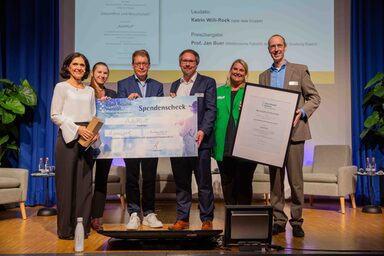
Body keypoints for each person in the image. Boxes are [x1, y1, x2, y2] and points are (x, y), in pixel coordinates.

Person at [259, 34, 320, 237]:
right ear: (269, 50)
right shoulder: (263, 76)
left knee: (295, 181)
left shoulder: (299, 70)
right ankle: (278, 219)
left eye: (279, 46)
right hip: (273, 136)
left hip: (295, 134)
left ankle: (296, 221)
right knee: (275, 182)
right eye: (272, 46)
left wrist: (301, 112)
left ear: (285, 47)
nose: (276, 49)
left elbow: (314, 97)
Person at [168, 49, 217, 231]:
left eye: (191, 61)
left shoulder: (208, 82)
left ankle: (206, 220)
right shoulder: (174, 85)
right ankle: (182, 219)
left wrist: (203, 130)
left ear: (197, 63)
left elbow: (211, 110)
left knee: (204, 183)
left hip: (200, 143)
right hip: (180, 143)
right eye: (184, 61)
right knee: (182, 183)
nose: (187, 64)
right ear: (180, 63)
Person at [51, 52, 98, 239]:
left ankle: (83, 228)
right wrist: (77, 129)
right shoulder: (61, 87)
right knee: (66, 186)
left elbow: (93, 115)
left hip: (87, 140)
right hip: (68, 139)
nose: (79, 68)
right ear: (68, 67)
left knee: (85, 186)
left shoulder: (90, 91)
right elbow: (55, 115)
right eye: (75, 64)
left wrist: (94, 133)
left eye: (82, 65)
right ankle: (66, 230)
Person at [117, 49, 164, 229]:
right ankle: (134, 213)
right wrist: (128, 102)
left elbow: (159, 111)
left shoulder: (157, 86)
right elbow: (119, 111)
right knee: (132, 177)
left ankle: (150, 213)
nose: (141, 66)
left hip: (152, 140)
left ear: (149, 65)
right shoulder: (123, 84)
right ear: (133, 65)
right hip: (132, 140)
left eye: (144, 63)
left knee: (150, 177)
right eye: (138, 63)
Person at [212, 59, 257, 205]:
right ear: (230, 71)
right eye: (235, 69)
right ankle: (231, 220)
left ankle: (244, 221)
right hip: (223, 146)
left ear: (245, 74)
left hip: (246, 147)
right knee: (227, 183)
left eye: (241, 70)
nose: (237, 72)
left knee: (244, 184)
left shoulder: (252, 92)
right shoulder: (218, 91)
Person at [89, 62, 117, 230]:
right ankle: (83, 215)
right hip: (88, 142)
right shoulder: (85, 92)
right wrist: (99, 104)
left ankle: (97, 217)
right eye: (99, 72)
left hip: (107, 143)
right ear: (93, 73)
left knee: (101, 180)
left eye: (105, 73)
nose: (102, 75)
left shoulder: (112, 93)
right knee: (84, 180)